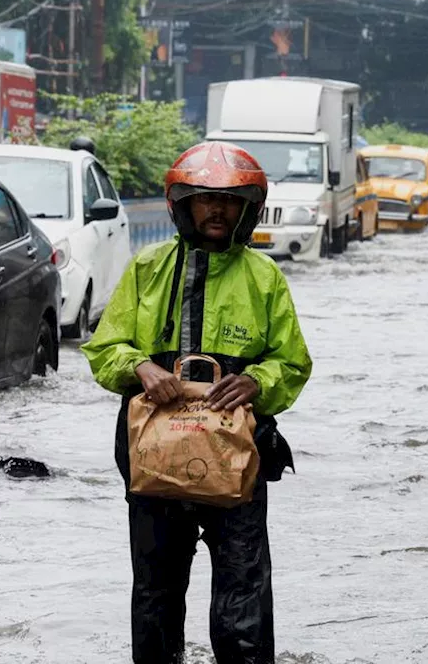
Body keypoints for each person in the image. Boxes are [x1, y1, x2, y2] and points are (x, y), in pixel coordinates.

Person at [80, 140, 313, 663]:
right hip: (153, 460)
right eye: (204, 199)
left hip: (239, 461)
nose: (216, 210)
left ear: (247, 211)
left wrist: (255, 381)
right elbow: (103, 349)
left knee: (243, 595)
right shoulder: (147, 268)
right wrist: (141, 368)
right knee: (156, 593)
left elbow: (293, 363)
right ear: (181, 205)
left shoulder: (265, 277)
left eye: (229, 201)